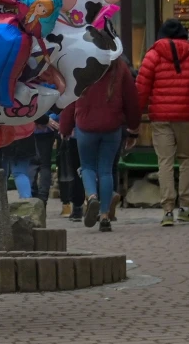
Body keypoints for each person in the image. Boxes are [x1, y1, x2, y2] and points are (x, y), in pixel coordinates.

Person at [137, 18, 189, 226]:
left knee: (165, 162)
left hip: (161, 117)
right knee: (187, 159)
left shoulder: (152, 56)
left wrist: (135, 117)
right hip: (188, 117)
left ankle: (168, 211)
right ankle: (185, 208)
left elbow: (142, 89)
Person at [60, 57, 140, 232]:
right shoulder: (120, 67)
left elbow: (70, 98)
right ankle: (104, 215)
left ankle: (92, 197)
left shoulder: (80, 62)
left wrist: (65, 127)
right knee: (105, 170)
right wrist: (133, 129)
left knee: (87, 166)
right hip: (112, 126)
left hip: (85, 125)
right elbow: (132, 99)